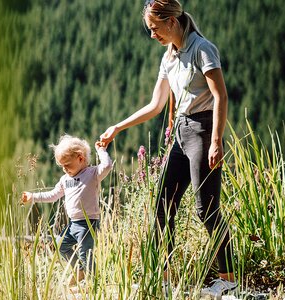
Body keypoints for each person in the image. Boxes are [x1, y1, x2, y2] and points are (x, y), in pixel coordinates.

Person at [100, 0, 237, 297]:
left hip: (202, 131)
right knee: (163, 207)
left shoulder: (202, 49)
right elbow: (155, 105)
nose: (152, 35)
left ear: (171, 22)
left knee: (206, 209)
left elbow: (221, 96)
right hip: (181, 134)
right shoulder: (169, 57)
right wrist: (117, 127)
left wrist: (216, 141)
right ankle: (168, 277)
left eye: (154, 28)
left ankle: (228, 279)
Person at [20, 134, 112, 286]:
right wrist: (33, 197)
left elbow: (107, 165)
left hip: (88, 223)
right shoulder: (65, 180)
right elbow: (53, 195)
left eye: (67, 165)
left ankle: (93, 284)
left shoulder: (92, 174)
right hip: (73, 223)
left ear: (80, 158)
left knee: (85, 253)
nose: (64, 169)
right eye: (61, 166)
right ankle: (79, 270)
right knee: (60, 244)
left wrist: (101, 151)